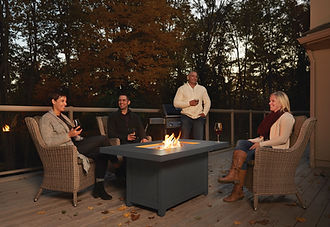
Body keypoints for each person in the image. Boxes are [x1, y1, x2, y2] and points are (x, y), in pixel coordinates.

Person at [218, 91, 295, 202]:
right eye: (270, 100)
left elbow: (282, 139)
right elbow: (265, 137)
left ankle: (237, 190)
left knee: (245, 155)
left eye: (273, 101)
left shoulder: (287, 117)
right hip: (267, 145)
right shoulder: (273, 116)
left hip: (276, 150)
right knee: (241, 143)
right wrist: (252, 141)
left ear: (281, 103)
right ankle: (233, 174)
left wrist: (260, 144)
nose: (269, 103)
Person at [39, 91, 117, 200]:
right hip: (68, 149)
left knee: (101, 152)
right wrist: (68, 135)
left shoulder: (64, 117)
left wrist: (76, 134)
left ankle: (99, 188)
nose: (65, 104)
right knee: (103, 138)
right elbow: (48, 142)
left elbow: (73, 134)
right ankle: (117, 165)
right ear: (53, 101)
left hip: (76, 143)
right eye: (62, 101)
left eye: (65, 101)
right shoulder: (46, 119)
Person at [173, 71, 211, 139]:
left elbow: (208, 102)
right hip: (186, 117)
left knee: (199, 140)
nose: (194, 78)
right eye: (192, 76)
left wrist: (204, 112)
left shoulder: (202, 89)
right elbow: (176, 103)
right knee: (184, 139)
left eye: (196, 76)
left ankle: (199, 150)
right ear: (188, 77)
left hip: (199, 117)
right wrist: (189, 103)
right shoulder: (182, 89)